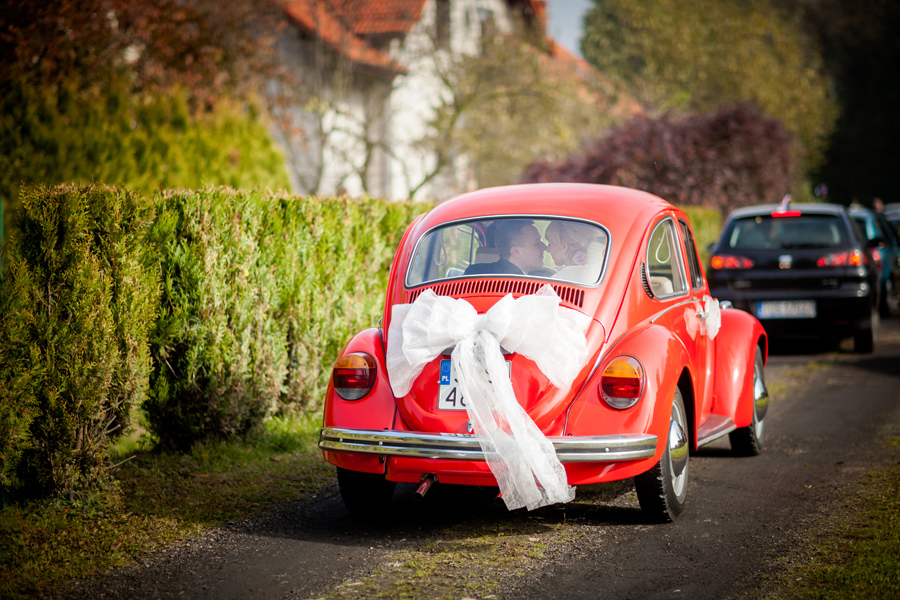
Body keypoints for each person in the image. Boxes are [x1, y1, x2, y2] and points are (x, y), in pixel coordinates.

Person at [464, 220, 548, 276]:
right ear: (516, 252)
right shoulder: (529, 285)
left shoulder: (473, 272)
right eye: (537, 243)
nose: (544, 247)